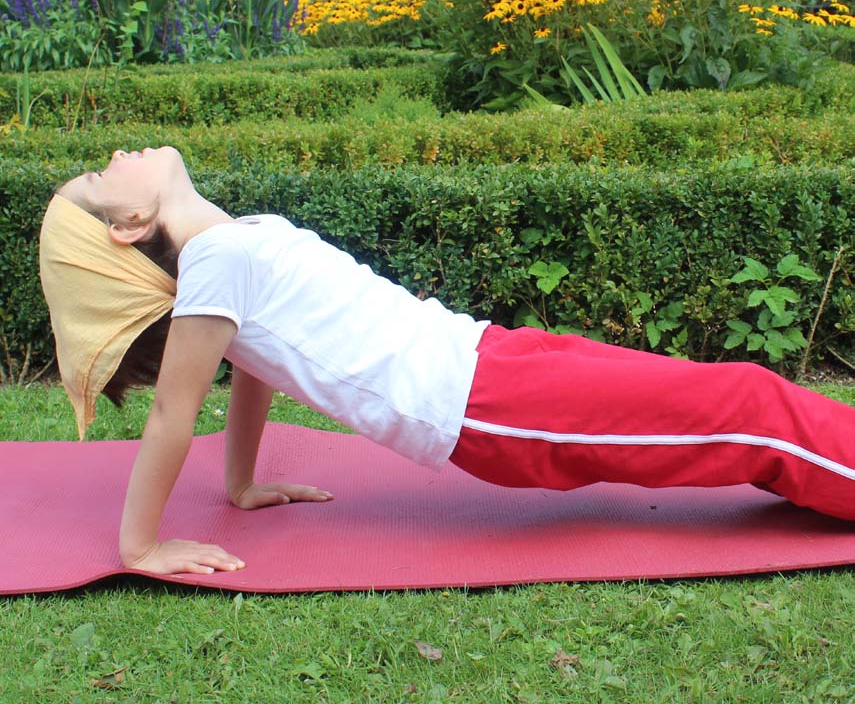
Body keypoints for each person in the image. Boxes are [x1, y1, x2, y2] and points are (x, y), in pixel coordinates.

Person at [39, 146, 855, 577]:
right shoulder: (213, 257)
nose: (114, 156)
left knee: (735, 403)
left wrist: (241, 485)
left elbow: (255, 364)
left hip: (491, 361)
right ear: (128, 224)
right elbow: (170, 413)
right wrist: (140, 547)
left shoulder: (235, 237)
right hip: (486, 407)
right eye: (99, 176)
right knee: (747, 410)